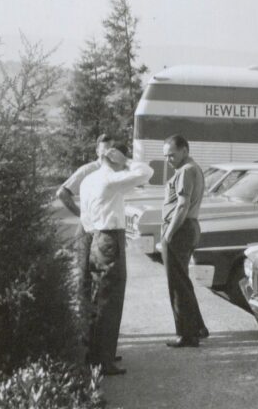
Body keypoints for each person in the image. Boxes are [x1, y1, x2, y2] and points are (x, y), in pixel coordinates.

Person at [80, 144, 154, 375]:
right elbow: (146, 172)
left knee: (97, 297)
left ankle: (98, 352)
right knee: (110, 301)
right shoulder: (110, 179)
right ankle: (104, 360)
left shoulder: (89, 179)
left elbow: (85, 216)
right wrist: (128, 161)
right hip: (110, 239)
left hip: (95, 237)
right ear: (115, 158)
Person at [56, 134, 114, 342]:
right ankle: (82, 341)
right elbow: (62, 193)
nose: (108, 153)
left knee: (103, 283)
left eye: (111, 149)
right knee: (84, 282)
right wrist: (82, 214)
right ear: (97, 151)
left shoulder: (117, 171)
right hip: (88, 231)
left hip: (105, 233)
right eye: (104, 149)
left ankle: (98, 341)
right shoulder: (88, 170)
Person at [161, 135, 208, 348]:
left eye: (172, 154)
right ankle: (197, 327)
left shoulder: (185, 171)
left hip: (180, 229)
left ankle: (186, 335)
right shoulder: (192, 168)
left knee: (177, 285)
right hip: (187, 228)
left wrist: (168, 234)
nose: (168, 159)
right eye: (166, 156)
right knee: (183, 281)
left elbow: (182, 205)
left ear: (185, 150)